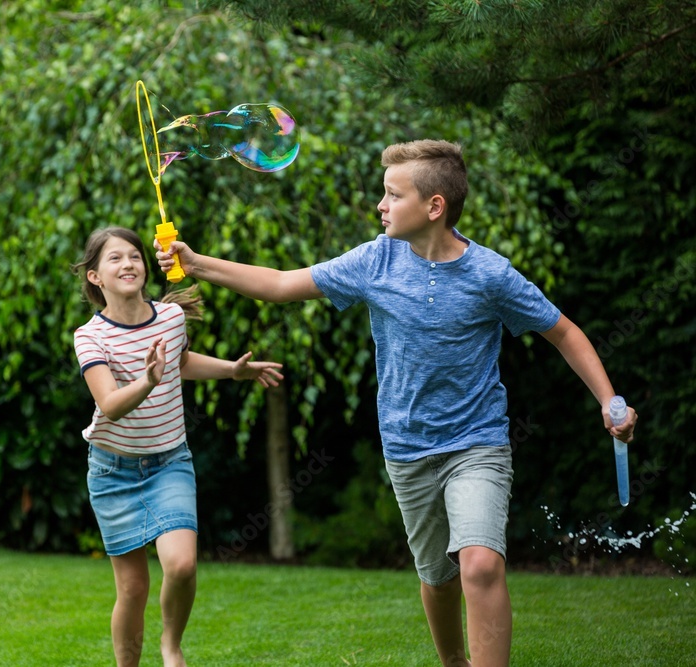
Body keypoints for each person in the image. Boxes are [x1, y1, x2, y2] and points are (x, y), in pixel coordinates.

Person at [154, 140, 638, 667]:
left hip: (477, 443)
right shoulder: (374, 261)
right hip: (407, 448)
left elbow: (563, 332)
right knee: (437, 575)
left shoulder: (490, 275)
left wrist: (607, 399)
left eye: (392, 194)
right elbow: (279, 284)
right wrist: (196, 262)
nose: (380, 206)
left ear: (434, 206)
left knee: (479, 565)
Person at [72, 226, 283, 667]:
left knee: (182, 565)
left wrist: (232, 371)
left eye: (134, 255)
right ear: (95, 277)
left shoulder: (169, 318)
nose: (129, 264)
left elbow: (181, 363)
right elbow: (110, 405)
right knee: (132, 589)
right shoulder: (90, 336)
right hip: (114, 471)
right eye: (115, 259)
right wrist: (148, 381)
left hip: (169, 461)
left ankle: (171, 644)